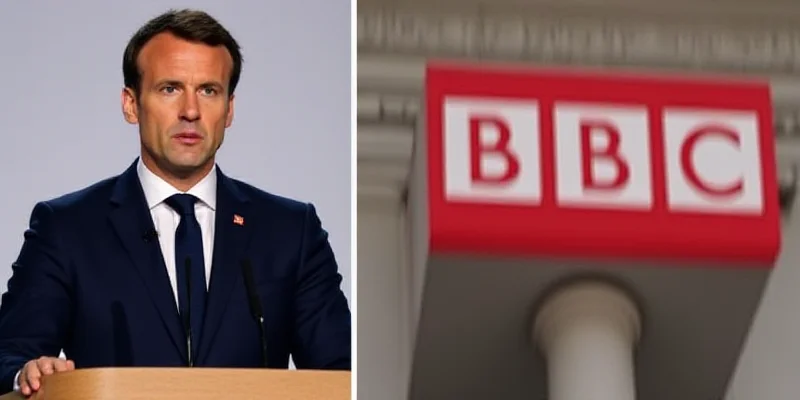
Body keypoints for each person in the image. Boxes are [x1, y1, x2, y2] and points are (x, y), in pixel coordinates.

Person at [0, 8, 351, 396]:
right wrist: (27, 373)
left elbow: (342, 376)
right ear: (131, 104)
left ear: (229, 110)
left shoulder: (291, 231)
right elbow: (10, 355)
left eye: (208, 90)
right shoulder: (66, 228)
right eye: (170, 88)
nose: (190, 111)